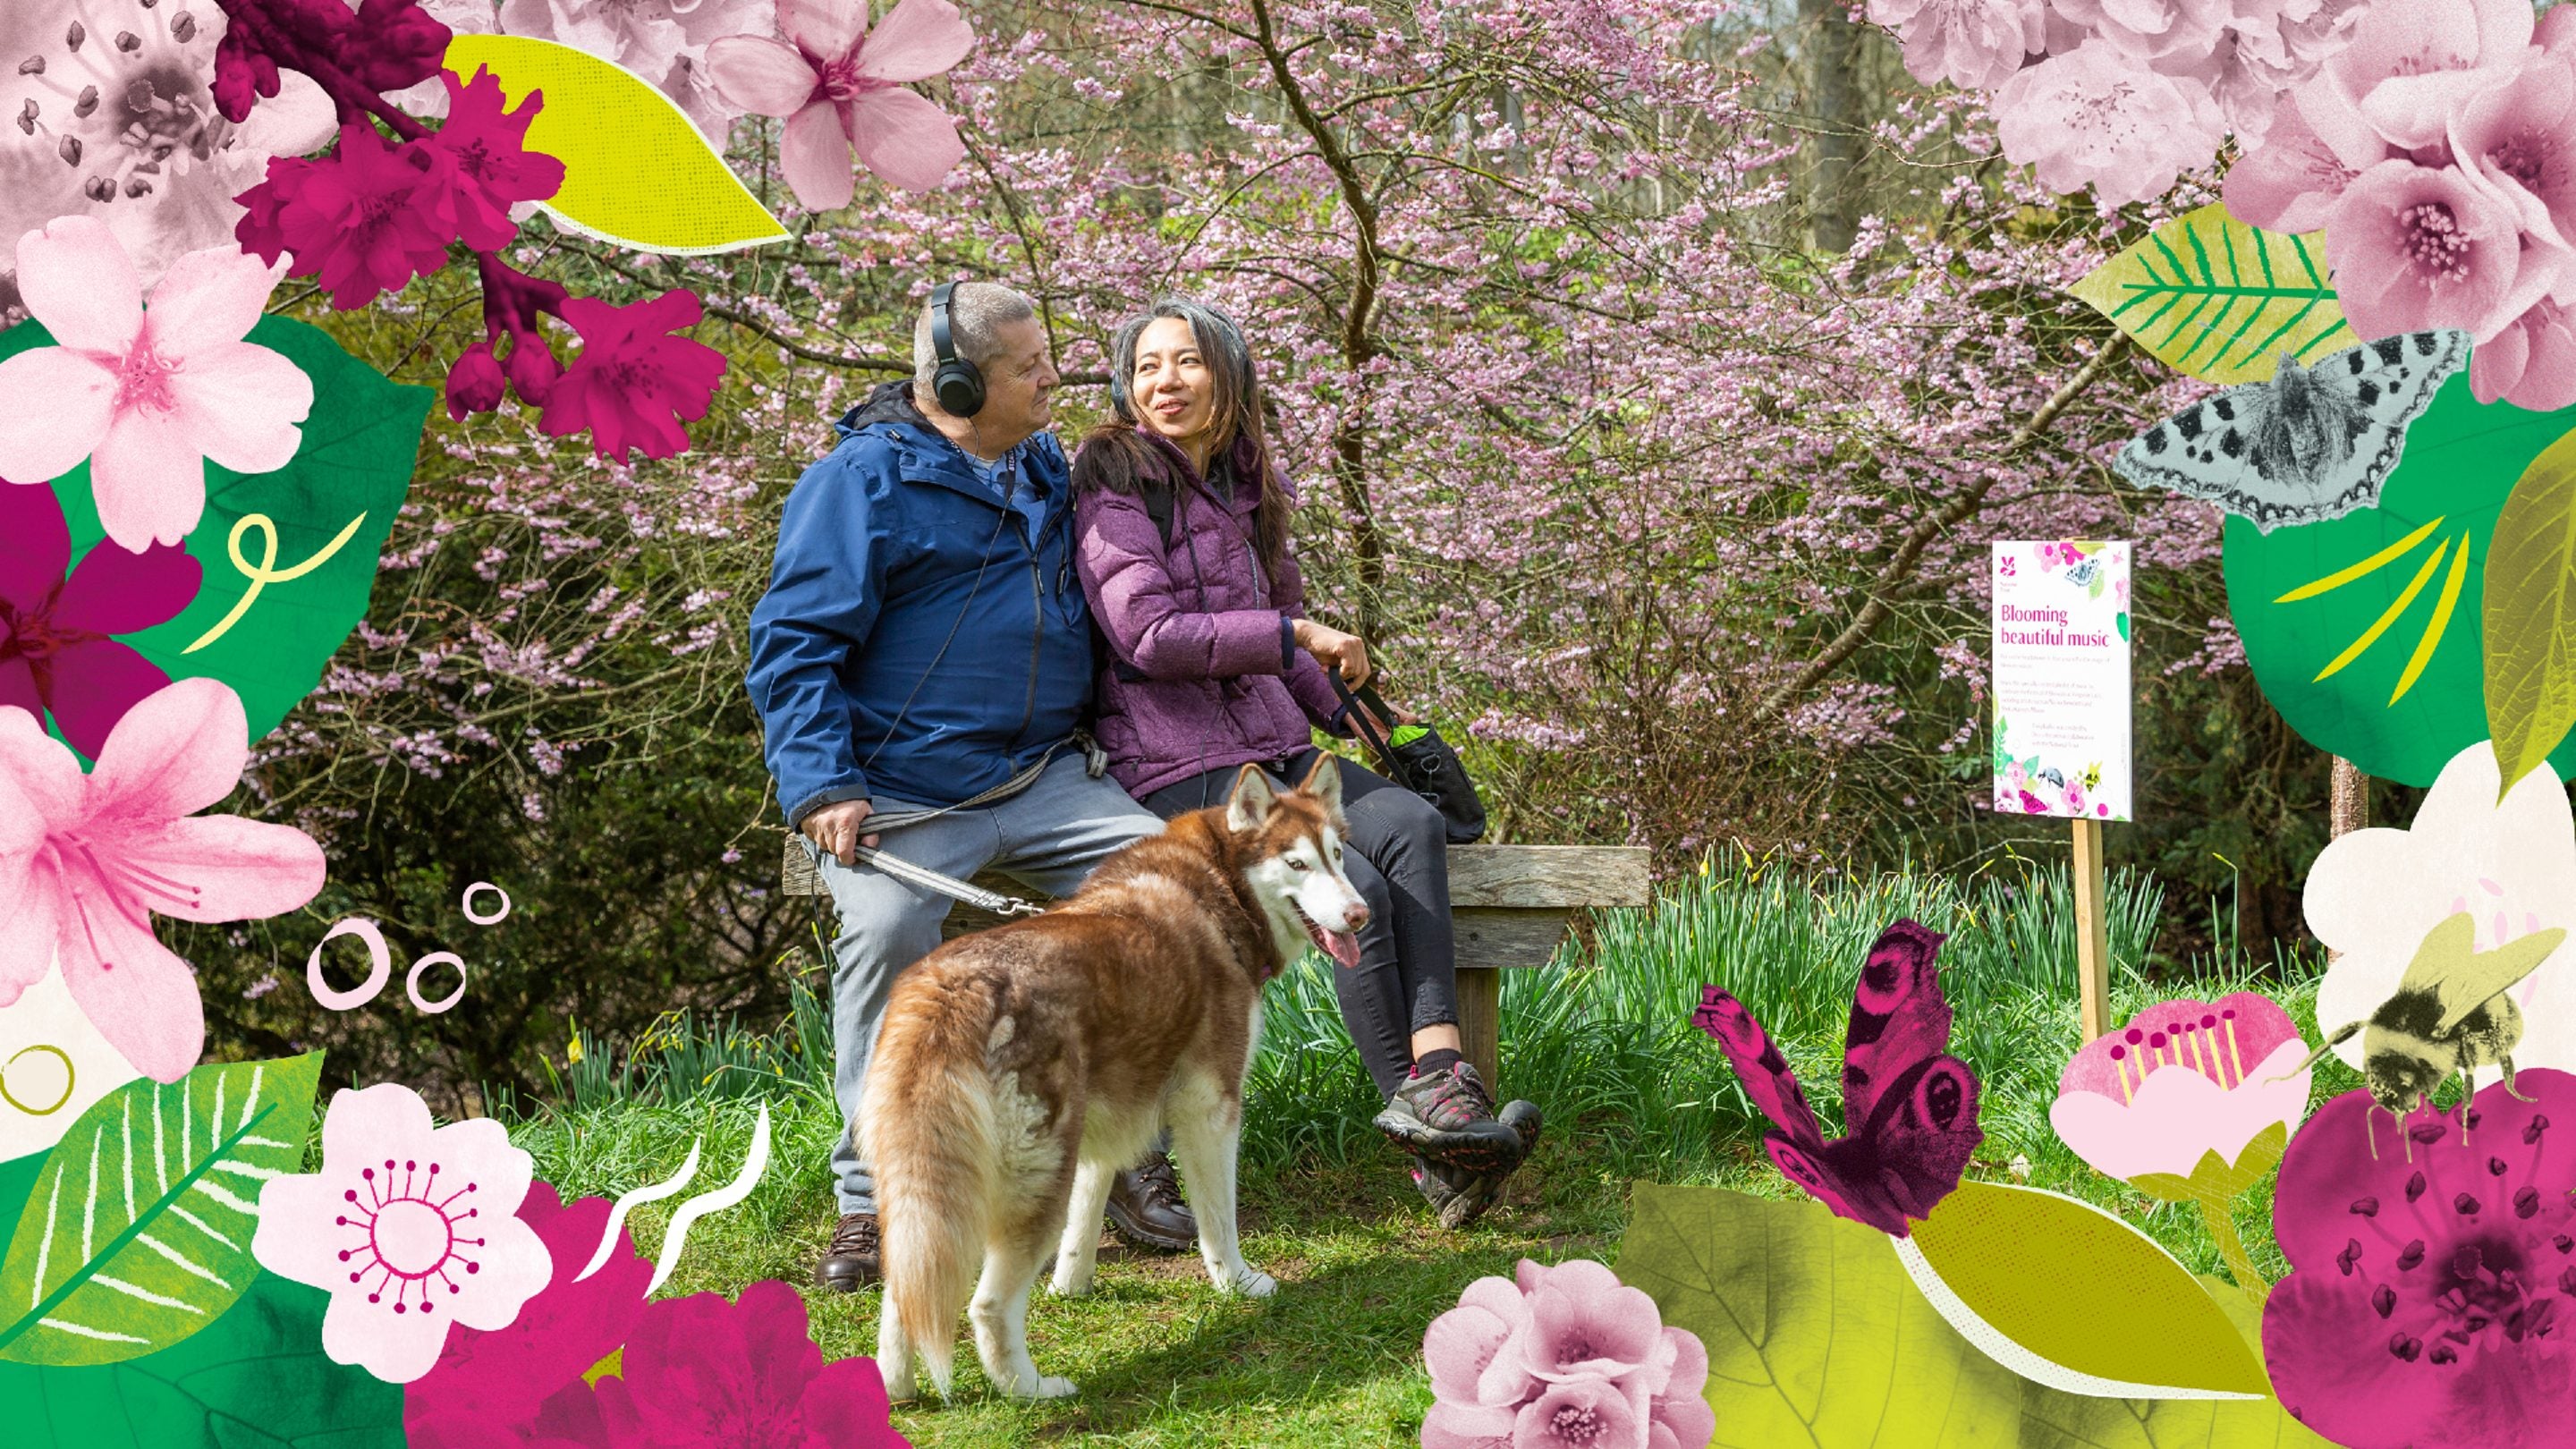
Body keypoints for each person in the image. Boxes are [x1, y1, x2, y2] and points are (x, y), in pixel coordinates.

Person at [746, 281, 1199, 1292]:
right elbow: (791, 645)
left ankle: (1124, 1157)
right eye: (1029, 364)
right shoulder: (860, 482)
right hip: (908, 796)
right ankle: (870, 1201)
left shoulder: (1044, 465)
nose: (1055, 375)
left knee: (1164, 894)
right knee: (886, 937)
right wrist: (822, 783)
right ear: (958, 383)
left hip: (1041, 777)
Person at [1070, 298, 1541, 1228]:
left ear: (1230, 377)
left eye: (1187, 363)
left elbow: (1288, 653)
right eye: (1146, 367)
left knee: (1406, 823)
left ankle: (1441, 1087)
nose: (1164, 382)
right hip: (1174, 757)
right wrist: (1296, 630)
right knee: (1349, 872)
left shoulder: (1245, 485)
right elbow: (1148, 634)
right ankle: (1431, 1133)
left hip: (1268, 742)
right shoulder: (1112, 478)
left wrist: (1360, 712)